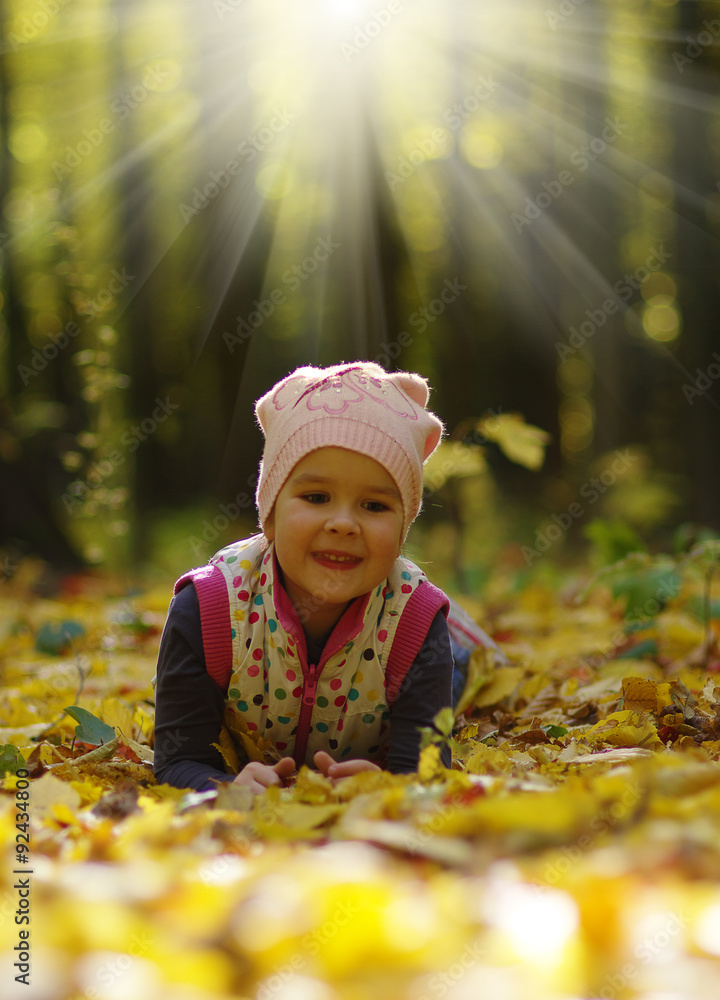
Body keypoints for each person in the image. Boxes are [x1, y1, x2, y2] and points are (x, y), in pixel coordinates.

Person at [153, 361, 454, 794]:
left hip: (407, 630)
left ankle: (467, 638)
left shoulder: (415, 623)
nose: (343, 524)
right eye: (317, 497)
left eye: (374, 506)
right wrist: (221, 786)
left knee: (459, 657)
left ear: (403, 528)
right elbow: (178, 759)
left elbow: (425, 772)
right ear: (270, 515)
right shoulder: (210, 612)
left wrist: (391, 789)